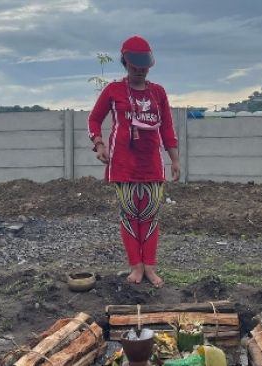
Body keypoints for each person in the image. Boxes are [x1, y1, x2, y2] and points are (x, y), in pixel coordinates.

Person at [87, 35, 180, 288]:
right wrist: (99, 144)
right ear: (125, 63)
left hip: (151, 164)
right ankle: (135, 267)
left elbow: (168, 129)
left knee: (150, 215)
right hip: (123, 165)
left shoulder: (158, 92)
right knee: (129, 216)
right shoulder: (113, 90)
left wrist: (174, 160)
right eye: (134, 65)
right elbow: (94, 119)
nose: (139, 70)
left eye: (144, 66)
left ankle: (150, 266)